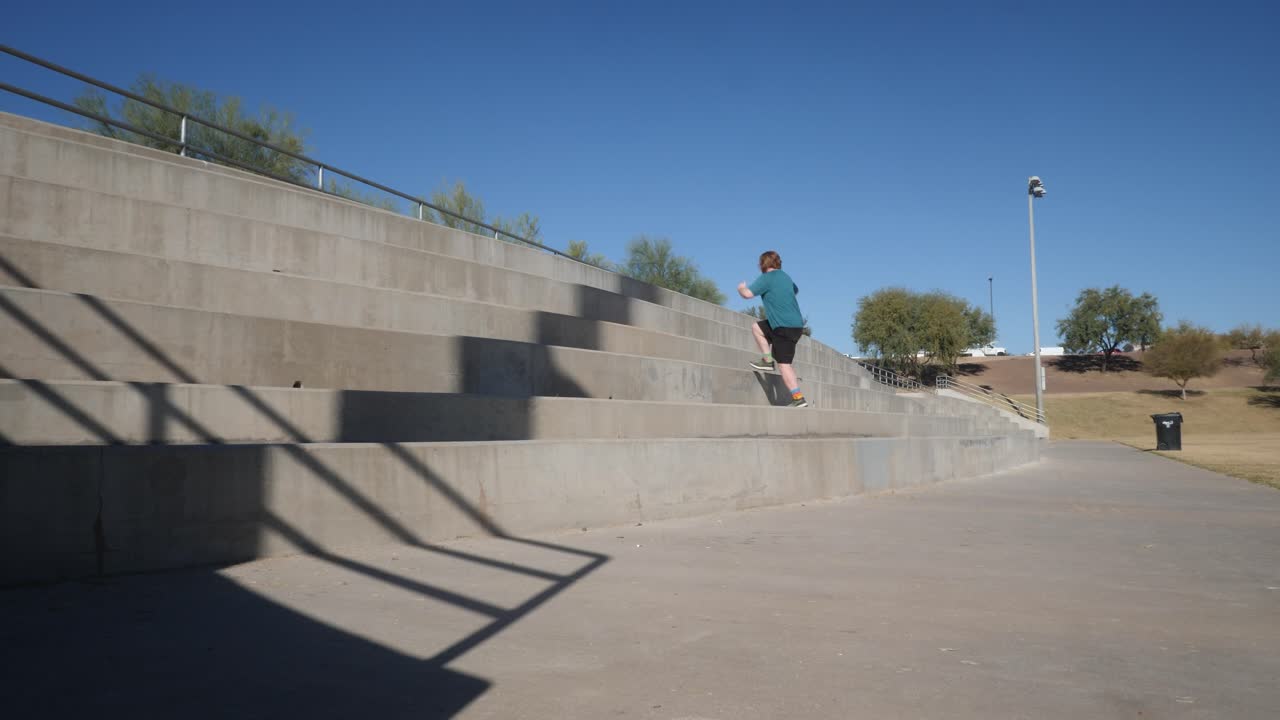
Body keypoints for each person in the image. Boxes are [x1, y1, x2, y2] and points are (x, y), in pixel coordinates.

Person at [737, 250, 808, 408]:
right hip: (794, 325)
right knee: (757, 328)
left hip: (784, 327)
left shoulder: (767, 278)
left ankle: (798, 398)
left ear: (762, 264)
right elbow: (795, 290)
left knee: (784, 364)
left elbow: (748, 294)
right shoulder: (786, 277)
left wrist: (741, 288)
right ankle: (767, 360)